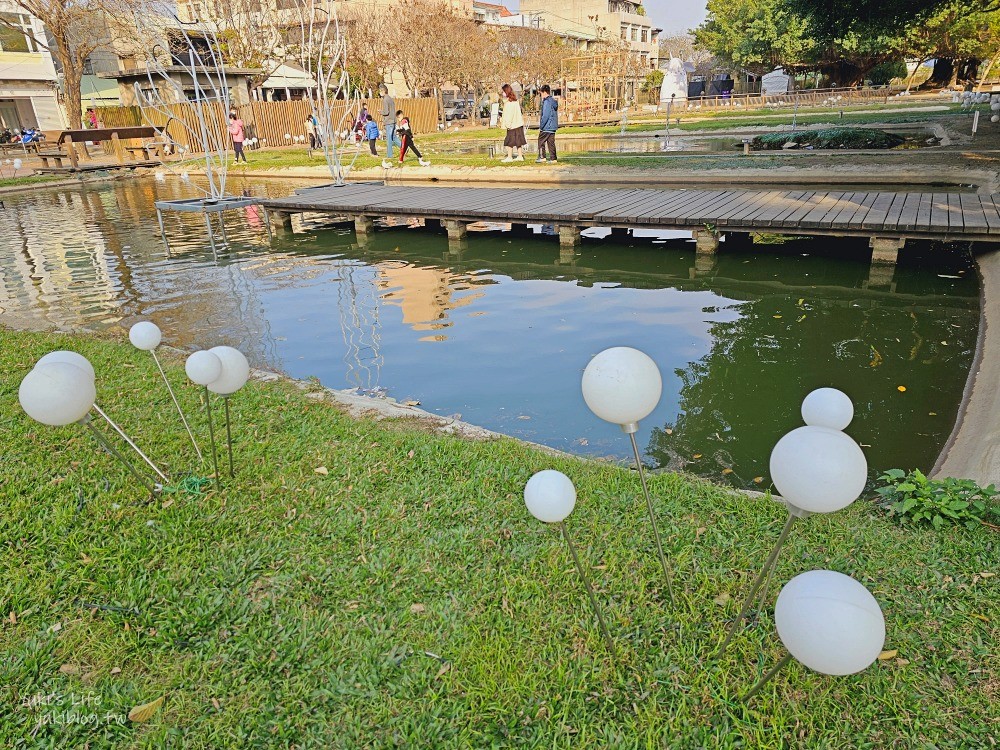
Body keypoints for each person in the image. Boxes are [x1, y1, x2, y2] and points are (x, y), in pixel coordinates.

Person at [499, 83, 525, 162]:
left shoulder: (509, 103)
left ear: (506, 91)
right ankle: (520, 156)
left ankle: (509, 157)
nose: (502, 93)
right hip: (518, 124)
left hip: (512, 125)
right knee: (518, 141)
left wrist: (507, 124)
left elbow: (509, 115)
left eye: (503, 91)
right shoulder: (515, 101)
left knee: (509, 141)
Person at [379, 84, 401, 167]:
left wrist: (380, 112)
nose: (380, 93)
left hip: (389, 122)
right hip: (393, 121)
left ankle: (389, 155)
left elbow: (386, 112)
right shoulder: (390, 99)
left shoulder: (385, 100)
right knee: (394, 137)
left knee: (389, 139)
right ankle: (404, 149)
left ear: (383, 91)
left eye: (380, 91)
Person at [536, 84, 558, 163]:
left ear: (544, 92)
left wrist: (541, 126)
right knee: (550, 142)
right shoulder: (553, 100)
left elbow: (545, 115)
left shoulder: (547, 102)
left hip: (547, 126)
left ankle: (542, 157)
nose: (541, 95)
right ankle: (553, 158)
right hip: (552, 126)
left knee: (541, 141)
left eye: (541, 93)